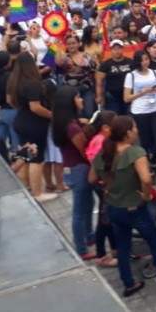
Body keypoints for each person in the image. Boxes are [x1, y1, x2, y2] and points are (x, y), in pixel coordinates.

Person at [89, 115, 156, 297]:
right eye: (134, 128)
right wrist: (146, 195)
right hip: (134, 208)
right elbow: (146, 179)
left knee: (123, 246)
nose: (137, 130)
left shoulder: (104, 153)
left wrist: (112, 185)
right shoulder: (135, 153)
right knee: (155, 241)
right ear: (127, 133)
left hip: (113, 208)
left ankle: (129, 283)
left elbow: (92, 178)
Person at [51, 87, 94, 259]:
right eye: (78, 97)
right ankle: (81, 248)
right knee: (79, 209)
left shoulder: (62, 123)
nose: (81, 100)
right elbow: (84, 151)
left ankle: (88, 235)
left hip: (69, 167)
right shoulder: (73, 128)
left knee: (87, 203)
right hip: (79, 169)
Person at [7, 53, 55, 202]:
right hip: (34, 124)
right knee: (35, 159)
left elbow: (10, 100)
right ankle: (37, 193)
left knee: (25, 155)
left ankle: (25, 188)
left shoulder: (13, 81)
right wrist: (53, 115)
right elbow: (35, 107)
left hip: (21, 120)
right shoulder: (32, 83)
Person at [83, 110, 118, 268]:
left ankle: (114, 248)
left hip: (101, 183)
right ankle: (102, 254)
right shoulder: (102, 142)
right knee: (104, 221)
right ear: (105, 127)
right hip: (103, 184)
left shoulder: (99, 139)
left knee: (107, 218)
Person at [123, 49, 156, 165]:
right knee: (145, 141)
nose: (145, 62)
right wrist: (142, 92)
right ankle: (147, 164)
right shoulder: (131, 76)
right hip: (139, 110)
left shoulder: (155, 73)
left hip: (155, 108)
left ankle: (153, 160)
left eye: (146, 59)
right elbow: (126, 98)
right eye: (142, 60)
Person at [58, 33, 97, 117]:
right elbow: (58, 63)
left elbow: (95, 70)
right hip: (71, 91)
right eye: (69, 44)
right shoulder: (65, 57)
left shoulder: (87, 56)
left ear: (79, 44)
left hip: (86, 89)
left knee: (89, 112)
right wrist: (58, 46)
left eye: (73, 43)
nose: (71, 45)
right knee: (75, 114)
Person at [97, 39, 134, 115]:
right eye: (115, 49)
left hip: (128, 95)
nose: (117, 51)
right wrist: (99, 96)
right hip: (111, 95)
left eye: (119, 48)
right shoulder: (106, 64)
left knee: (128, 116)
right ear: (111, 50)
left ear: (123, 49)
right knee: (114, 117)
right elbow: (99, 82)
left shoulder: (130, 62)